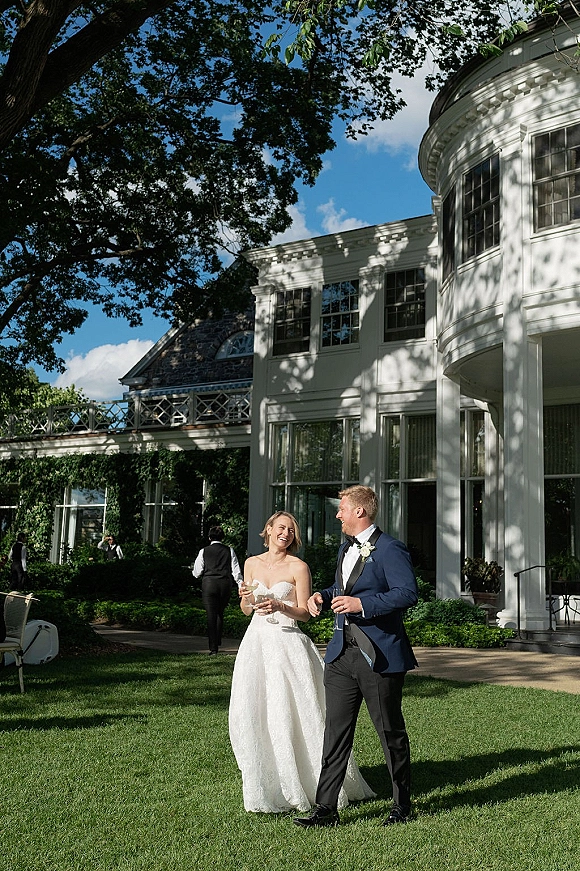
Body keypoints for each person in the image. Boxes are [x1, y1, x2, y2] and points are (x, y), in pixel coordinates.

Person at [229, 510, 375, 814]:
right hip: (255, 644)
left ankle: (311, 782)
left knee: (293, 712)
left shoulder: (299, 567)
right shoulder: (251, 563)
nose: (286, 534)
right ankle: (269, 784)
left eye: (291, 531)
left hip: (287, 644)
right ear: (268, 529)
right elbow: (246, 608)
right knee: (256, 711)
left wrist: (282, 605)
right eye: (281, 528)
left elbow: (306, 613)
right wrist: (245, 596)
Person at [293, 485, 418, 829]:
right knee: (334, 732)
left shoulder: (390, 549)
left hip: (377, 655)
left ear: (360, 511)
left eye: (342, 509)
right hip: (340, 653)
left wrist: (362, 605)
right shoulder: (346, 548)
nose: (338, 514)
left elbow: (407, 593)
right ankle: (325, 810)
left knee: (389, 731)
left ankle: (402, 805)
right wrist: (323, 594)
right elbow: (346, 589)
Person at [192, 525, 243, 655]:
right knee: (220, 612)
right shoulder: (229, 550)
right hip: (224, 584)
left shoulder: (204, 551)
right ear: (222, 537)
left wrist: (194, 572)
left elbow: (197, 572)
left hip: (209, 584)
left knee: (211, 615)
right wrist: (240, 584)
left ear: (209, 537)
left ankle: (213, 647)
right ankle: (218, 639)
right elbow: (235, 570)